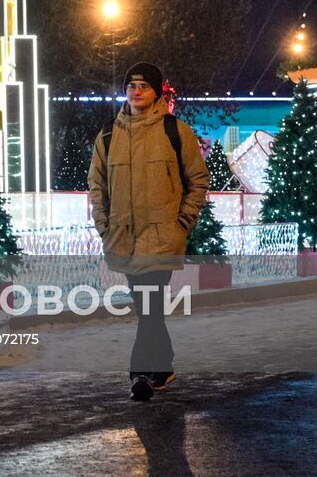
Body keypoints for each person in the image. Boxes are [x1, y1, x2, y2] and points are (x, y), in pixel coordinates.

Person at [87, 61, 209, 401]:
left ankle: (139, 372)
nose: (136, 91)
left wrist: (183, 221)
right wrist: (103, 224)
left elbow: (197, 180)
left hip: (161, 236)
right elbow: (97, 184)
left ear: (156, 92)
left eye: (144, 85)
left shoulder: (175, 131)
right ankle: (163, 365)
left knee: (150, 303)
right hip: (123, 237)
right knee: (147, 306)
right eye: (131, 85)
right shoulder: (109, 135)